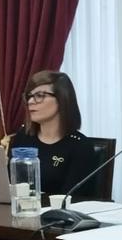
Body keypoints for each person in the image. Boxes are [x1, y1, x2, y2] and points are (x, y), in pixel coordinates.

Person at [8, 71, 99, 199]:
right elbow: (9, 183)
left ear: (62, 99)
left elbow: (73, 199)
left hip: (58, 216)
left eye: (40, 95)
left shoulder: (80, 146)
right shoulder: (23, 137)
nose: (30, 101)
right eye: (29, 96)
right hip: (21, 211)